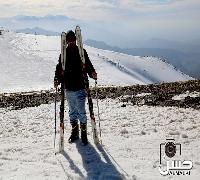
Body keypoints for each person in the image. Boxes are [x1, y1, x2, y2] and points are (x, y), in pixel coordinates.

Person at [54, 30, 97, 145]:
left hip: (80, 86)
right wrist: (57, 79)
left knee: (81, 111)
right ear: (67, 41)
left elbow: (87, 64)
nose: (72, 42)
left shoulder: (82, 52)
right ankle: (75, 133)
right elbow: (59, 68)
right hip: (68, 87)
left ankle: (83, 134)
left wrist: (92, 72)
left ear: (76, 40)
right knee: (72, 111)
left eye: (73, 40)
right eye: (70, 40)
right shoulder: (63, 54)